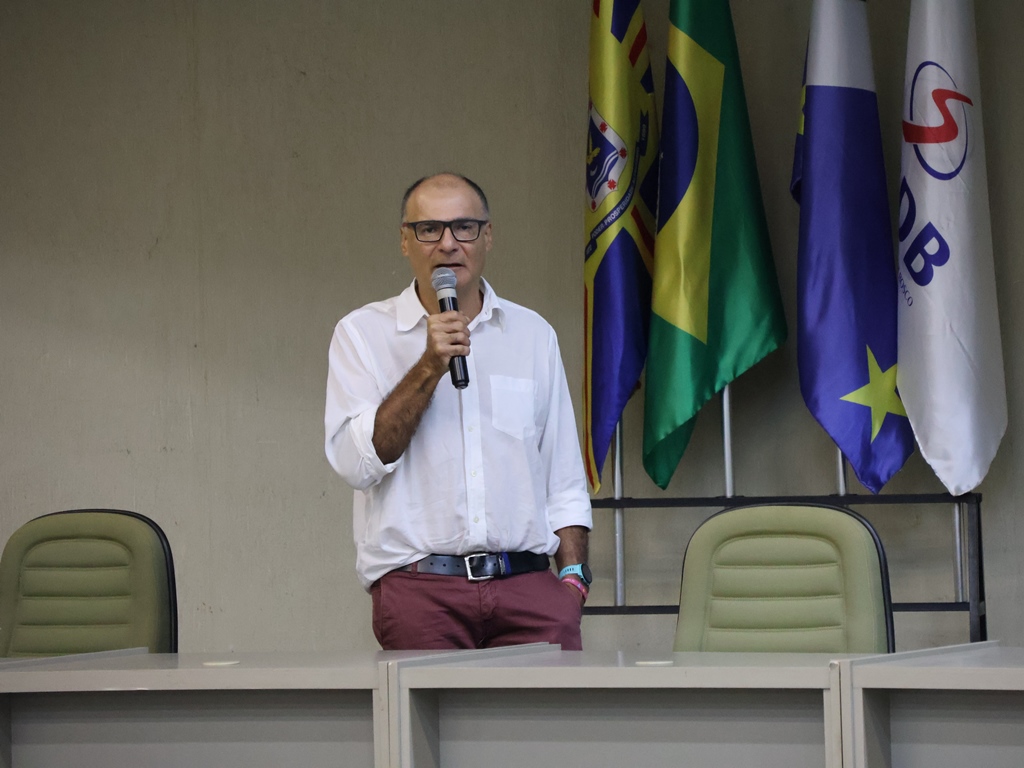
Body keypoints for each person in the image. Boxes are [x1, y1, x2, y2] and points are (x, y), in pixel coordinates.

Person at [324, 172, 593, 650]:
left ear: (487, 236)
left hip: (530, 591)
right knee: (425, 727)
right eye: (429, 229)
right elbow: (356, 464)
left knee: (548, 726)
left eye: (464, 227)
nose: (448, 243)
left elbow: (564, 478)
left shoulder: (532, 335)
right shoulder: (362, 334)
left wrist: (571, 582)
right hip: (421, 591)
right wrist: (429, 364)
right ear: (405, 242)